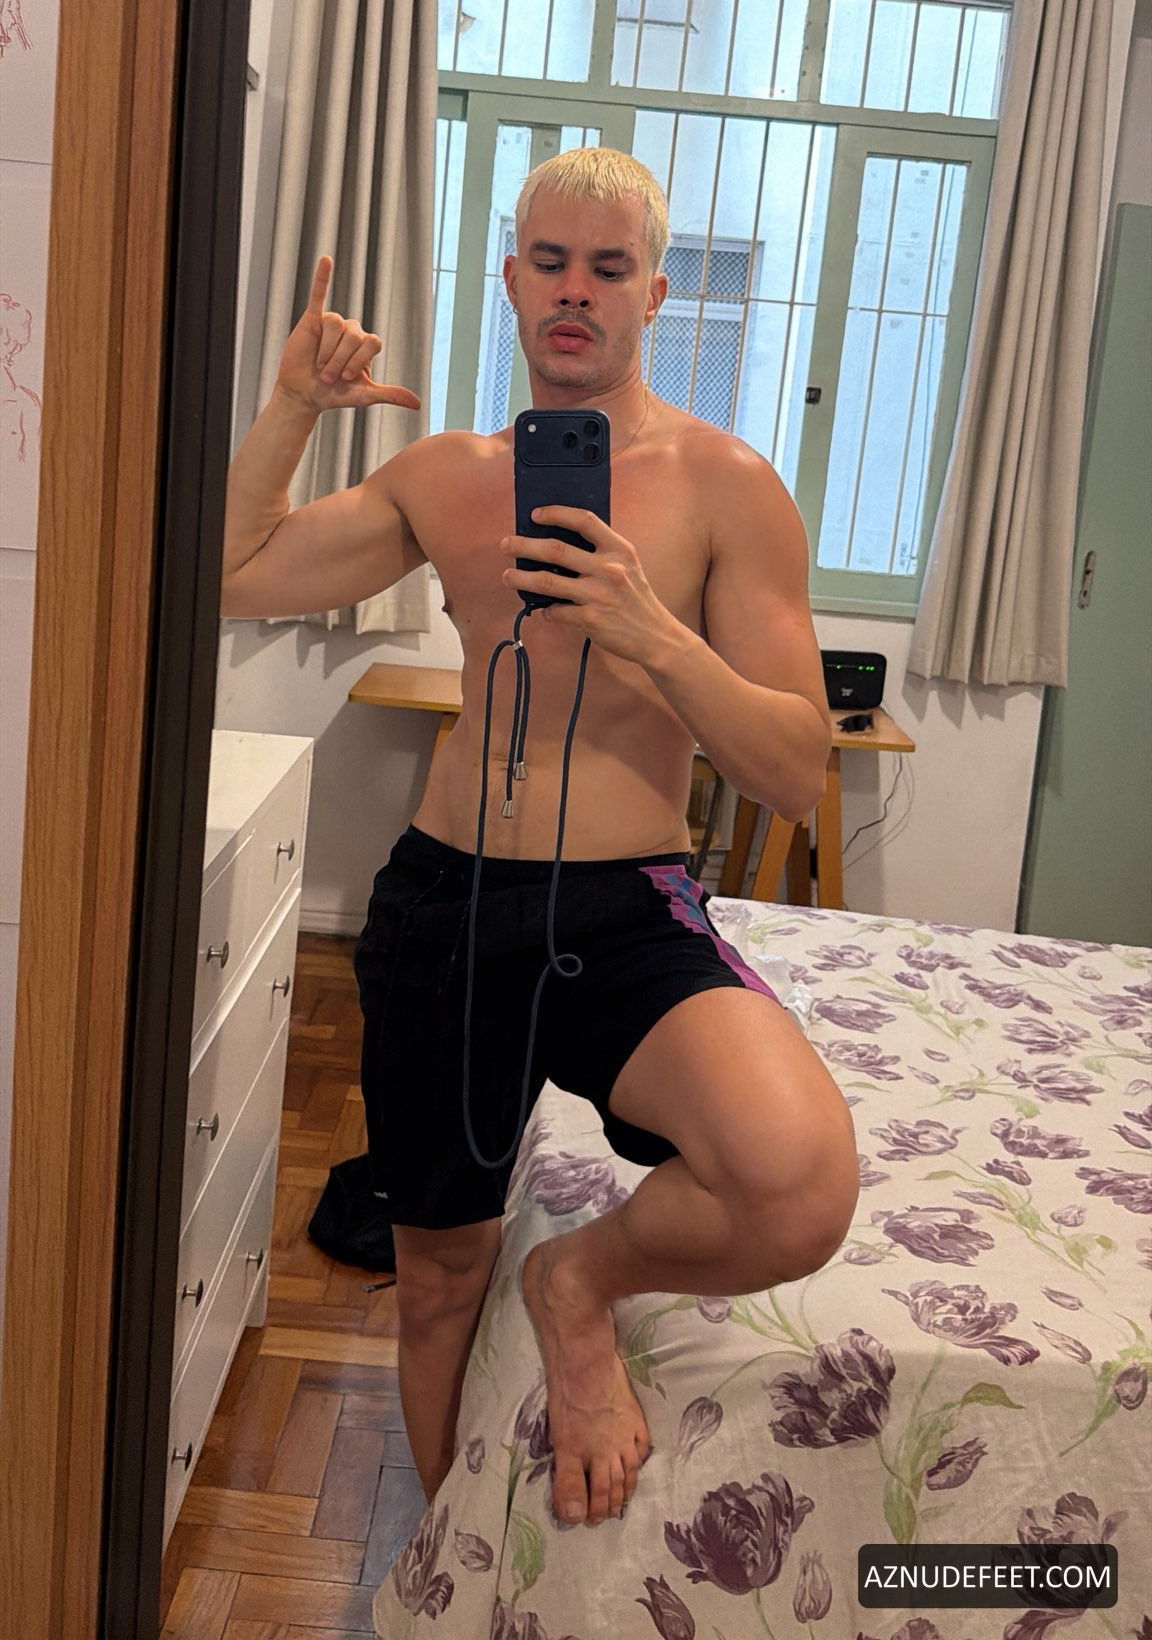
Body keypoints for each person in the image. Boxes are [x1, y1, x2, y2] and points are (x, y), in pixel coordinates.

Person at [220, 147, 859, 1531]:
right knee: (436, 1277)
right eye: (551, 263)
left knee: (796, 1182)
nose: (576, 291)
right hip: (448, 904)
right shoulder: (447, 475)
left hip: (629, 907)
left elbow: (796, 771)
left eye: (609, 269)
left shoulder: (728, 484)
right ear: (509, 279)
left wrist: (651, 631)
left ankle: (575, 1282)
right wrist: (290, 408)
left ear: (655, 294)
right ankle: (453, 1570)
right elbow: (229, 577)